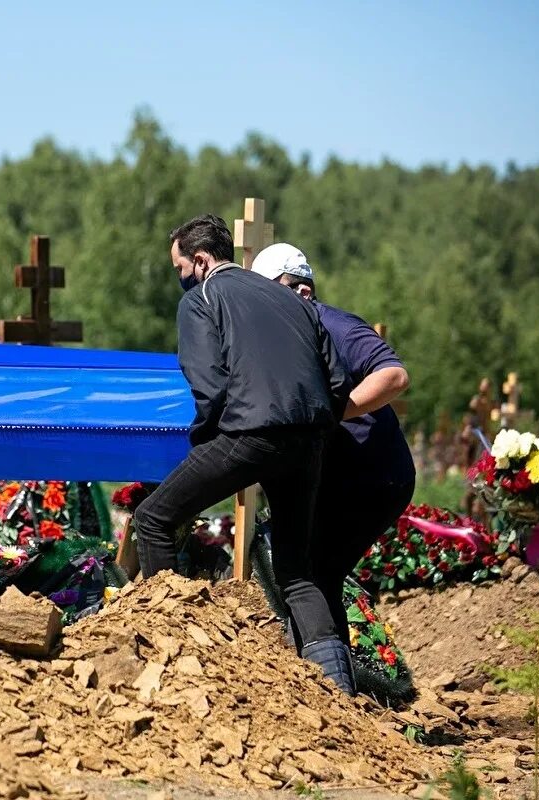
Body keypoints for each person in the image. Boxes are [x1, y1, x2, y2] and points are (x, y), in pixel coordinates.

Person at [133, 214, 355, 693]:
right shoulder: (292, 300)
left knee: (152, 519)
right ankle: (341, 696)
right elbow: (338, 382)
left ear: (199, 260)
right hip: (311, 437)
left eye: (178, 269)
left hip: (250, 434)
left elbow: (209, 388)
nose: (180, 280)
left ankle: (173, 664)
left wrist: (205, 447)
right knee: (298, 572)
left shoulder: (201, 299)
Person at [250, 242, 415, 647]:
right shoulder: (288, 337)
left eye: (273, 292)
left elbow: (394, 376)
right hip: (342, 478)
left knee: (314, 573)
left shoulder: (335, 326)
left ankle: (330, 687)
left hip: (373, 477)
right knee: (307, 574)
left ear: (303, 291)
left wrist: (332, 411)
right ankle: (320, 678)